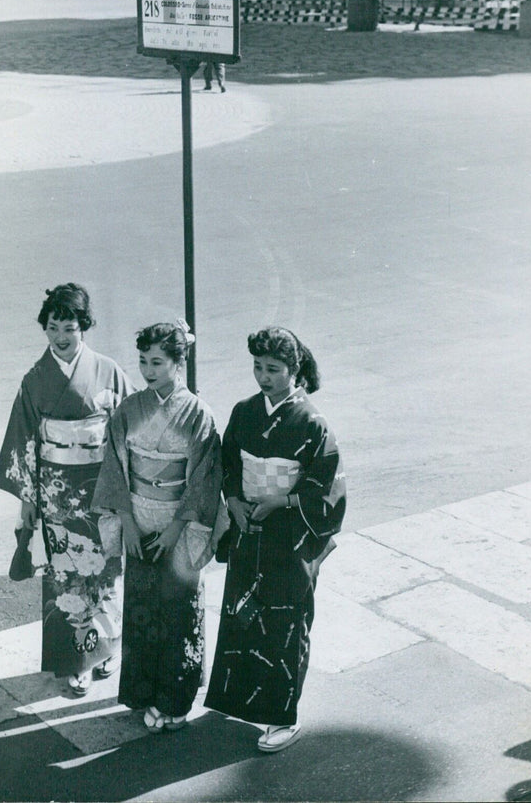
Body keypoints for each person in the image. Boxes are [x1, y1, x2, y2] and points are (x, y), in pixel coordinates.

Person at [204, 327, 346, 753]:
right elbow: (228, 461)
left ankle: (283, 717)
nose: (263, 377)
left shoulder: (312, 422)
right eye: (258, 367)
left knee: (285, 624)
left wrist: (282, 498)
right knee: (243, 616)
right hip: (249, 528)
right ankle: (238, 701)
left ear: (294, 370)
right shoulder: (245, 411)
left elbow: (327, 490)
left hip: (288, 536)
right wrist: (232, 500)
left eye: (273, 369)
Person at [0, 283, 134, 696]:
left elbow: (127, 429)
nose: (60, 336)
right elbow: (24, 443)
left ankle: (109, 650)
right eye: (52, 327)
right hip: (57, 492)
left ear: (83, 327)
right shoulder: (35, 380)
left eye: (68, 327)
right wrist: (28, 500)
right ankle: (77, 662)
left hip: (102, 486)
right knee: (67, 574)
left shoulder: (107, 370)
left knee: (107, 570)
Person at [93, 320, 225, 732]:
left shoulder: (198, 415)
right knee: (142, 607)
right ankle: (143, 693)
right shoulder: (130, 409)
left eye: (157, 362)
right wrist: (127, 523)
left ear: (178, 362)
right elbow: (116, 467)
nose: (148, 370)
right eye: (143, 362)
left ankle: (177, 701)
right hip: (137, 516)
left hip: (179, 523)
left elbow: (204, 477)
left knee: (179, 610)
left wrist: (175, 529)